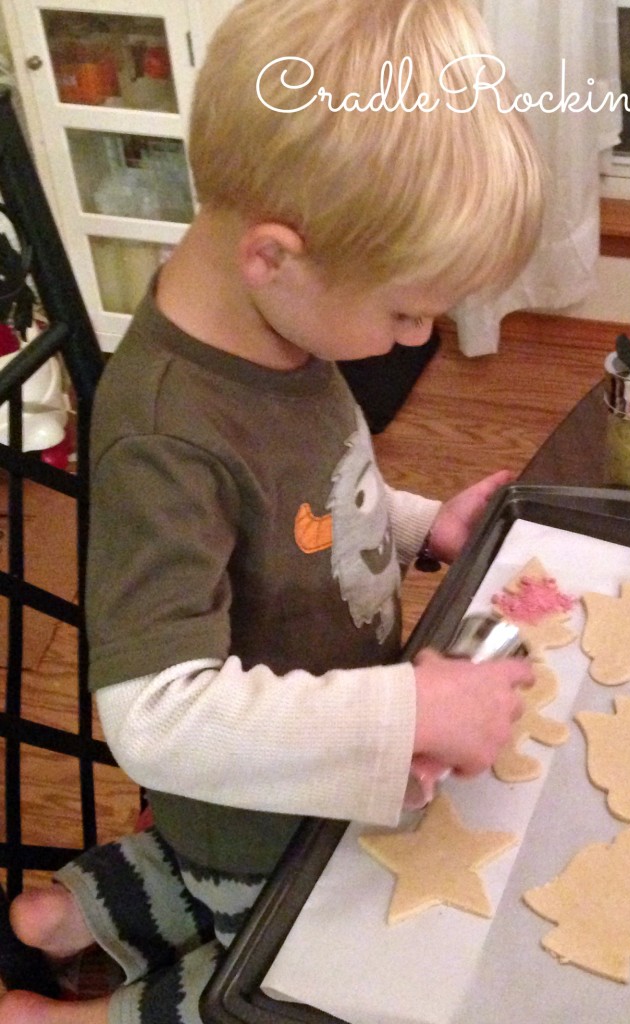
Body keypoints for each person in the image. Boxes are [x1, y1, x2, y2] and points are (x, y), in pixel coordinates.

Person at [0, 1, 544, 1022]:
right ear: (276, 256)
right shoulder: (171, 430)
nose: (414, 334)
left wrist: (419, 523)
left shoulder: (280, 330)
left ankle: (65, 915)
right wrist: (408, 712)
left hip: (286, 768)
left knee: (227, 875)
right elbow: (156, 716)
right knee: (309, 976)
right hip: (266, 800)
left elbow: (316, 498)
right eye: (404, 310)